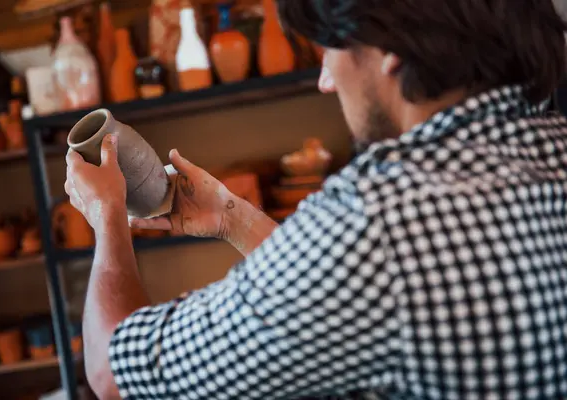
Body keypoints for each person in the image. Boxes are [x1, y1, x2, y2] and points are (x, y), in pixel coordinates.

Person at [64, 0, 567, 399]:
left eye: (329, 51)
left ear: (389, 47)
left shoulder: (379, 216)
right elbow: (360, 302)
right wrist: (233, 219)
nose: (326, 80)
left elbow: (116, 372)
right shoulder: (554, 143)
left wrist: (107, 217)